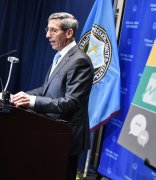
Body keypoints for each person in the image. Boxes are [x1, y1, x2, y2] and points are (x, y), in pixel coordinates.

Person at [11, 12, 94, 180]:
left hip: (66, 138)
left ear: (69, 33)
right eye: (47, 30)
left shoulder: (80, 61)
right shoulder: (60, 56)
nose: (47, 35)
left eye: (53, 30)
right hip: (51, 134)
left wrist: (32, 102)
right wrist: (19, 97)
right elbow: (46, 89)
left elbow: (71, 103)